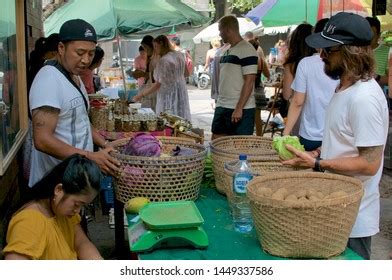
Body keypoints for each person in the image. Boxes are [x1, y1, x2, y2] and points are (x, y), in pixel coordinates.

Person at [283, 12, 389, 260]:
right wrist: (317, 152)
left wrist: (318, 164)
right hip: (336, 210)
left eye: (328, 50)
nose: (321, 56)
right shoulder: (343, 87)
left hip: (354, 217)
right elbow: (344, 139)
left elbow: (370, 164)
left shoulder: (365, 98)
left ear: (352, 52)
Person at [28, 19, 119, 187]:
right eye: (80, 52)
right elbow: (42, 140)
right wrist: (90, 156)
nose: (86, 60)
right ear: (61, 48)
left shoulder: (74, 76)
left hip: (75, 180)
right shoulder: (49, 79)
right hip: (54, 185)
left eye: (91, 54)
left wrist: (106, 144)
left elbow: (82, 120)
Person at [3, 154, 104, 260]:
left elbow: (81, 243)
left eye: (83, 206)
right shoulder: (29, 222)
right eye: (77, 204)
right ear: (59, 190)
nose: (77, 211)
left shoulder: (62, 211)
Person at [283, 18, 338, 151]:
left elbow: (297, 101)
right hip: (335, 135)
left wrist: (285, 134)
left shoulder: (306, 63)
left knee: (307, 171)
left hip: (310, 135)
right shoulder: (345, 65)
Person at [211, 15, 258, 140]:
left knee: (239, 147)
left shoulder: (247, 49)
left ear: (228, 30)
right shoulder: (227, 49)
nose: (220, 34)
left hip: (241, 108)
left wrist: (239, 108)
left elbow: (250, 80)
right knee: (216, 141)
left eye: (220, 30)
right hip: (223, 104)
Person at [133, 35, 191, 120]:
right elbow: (186, 73)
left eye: (156, 46)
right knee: (180, 115)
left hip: (167, 93)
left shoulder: (163, 60)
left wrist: (141, 95)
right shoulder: (179, 55)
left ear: (161, 45)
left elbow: (157, 84)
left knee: (167, 118)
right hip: (181, 90)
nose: (155, 49)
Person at [366, 16, 390, 88]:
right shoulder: (355, 52)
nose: (369, 37)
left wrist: (376, 77)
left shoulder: (388, 52)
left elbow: (390, 79)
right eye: (366, 33)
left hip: (378, 95)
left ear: (378, 35)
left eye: (372, 34)